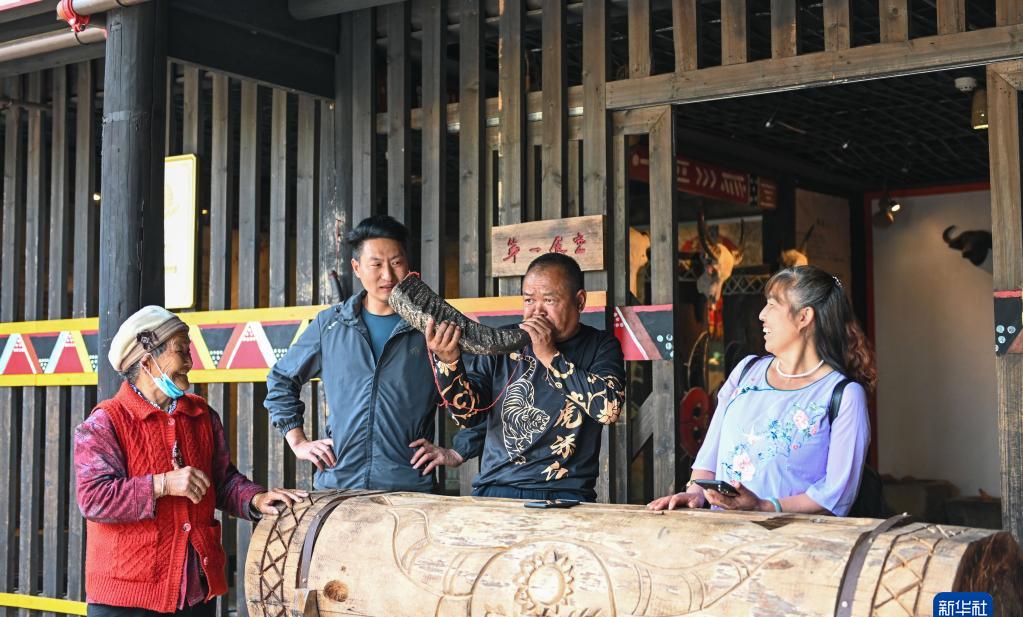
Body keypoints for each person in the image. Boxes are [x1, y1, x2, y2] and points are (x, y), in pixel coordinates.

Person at [74, 306, 305, 617]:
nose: (189, 361)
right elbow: (94, 498)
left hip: (193, 580)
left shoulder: (201, 415)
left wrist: (255, 499)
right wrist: (162, 484)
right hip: (127, 585)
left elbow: (222, 481)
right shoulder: (106, 422)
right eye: (181, 350)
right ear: (147, 361)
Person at [648, 265, 875, 516]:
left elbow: (836, 494)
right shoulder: (746, 371)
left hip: (791, 538)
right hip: (720, 532)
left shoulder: (843, 395)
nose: (761, 315)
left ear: (804, 317)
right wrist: (695, 492)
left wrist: (763, 507)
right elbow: (710, 452)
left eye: (772, 305)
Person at [265, 215, 459, 491]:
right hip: (339, 487)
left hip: (409, 489)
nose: (387, 275)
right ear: (356, 268)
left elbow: (478, 393)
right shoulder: (330, 325)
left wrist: (456, 452)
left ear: (408, 266)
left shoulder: (431, 329)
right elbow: (281, 380)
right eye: (376, 264)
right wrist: (297, 441)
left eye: (396, 263)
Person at [423, 253, 626, 502]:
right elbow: (469, 416)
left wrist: (550, 355)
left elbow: (608, 410)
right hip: (497, 488)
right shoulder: (503, 342)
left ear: (579, 301)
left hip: (566, 494)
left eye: (549, 300)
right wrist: (449, 364)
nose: (537, 311)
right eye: (529, 300)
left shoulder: (601, 346)